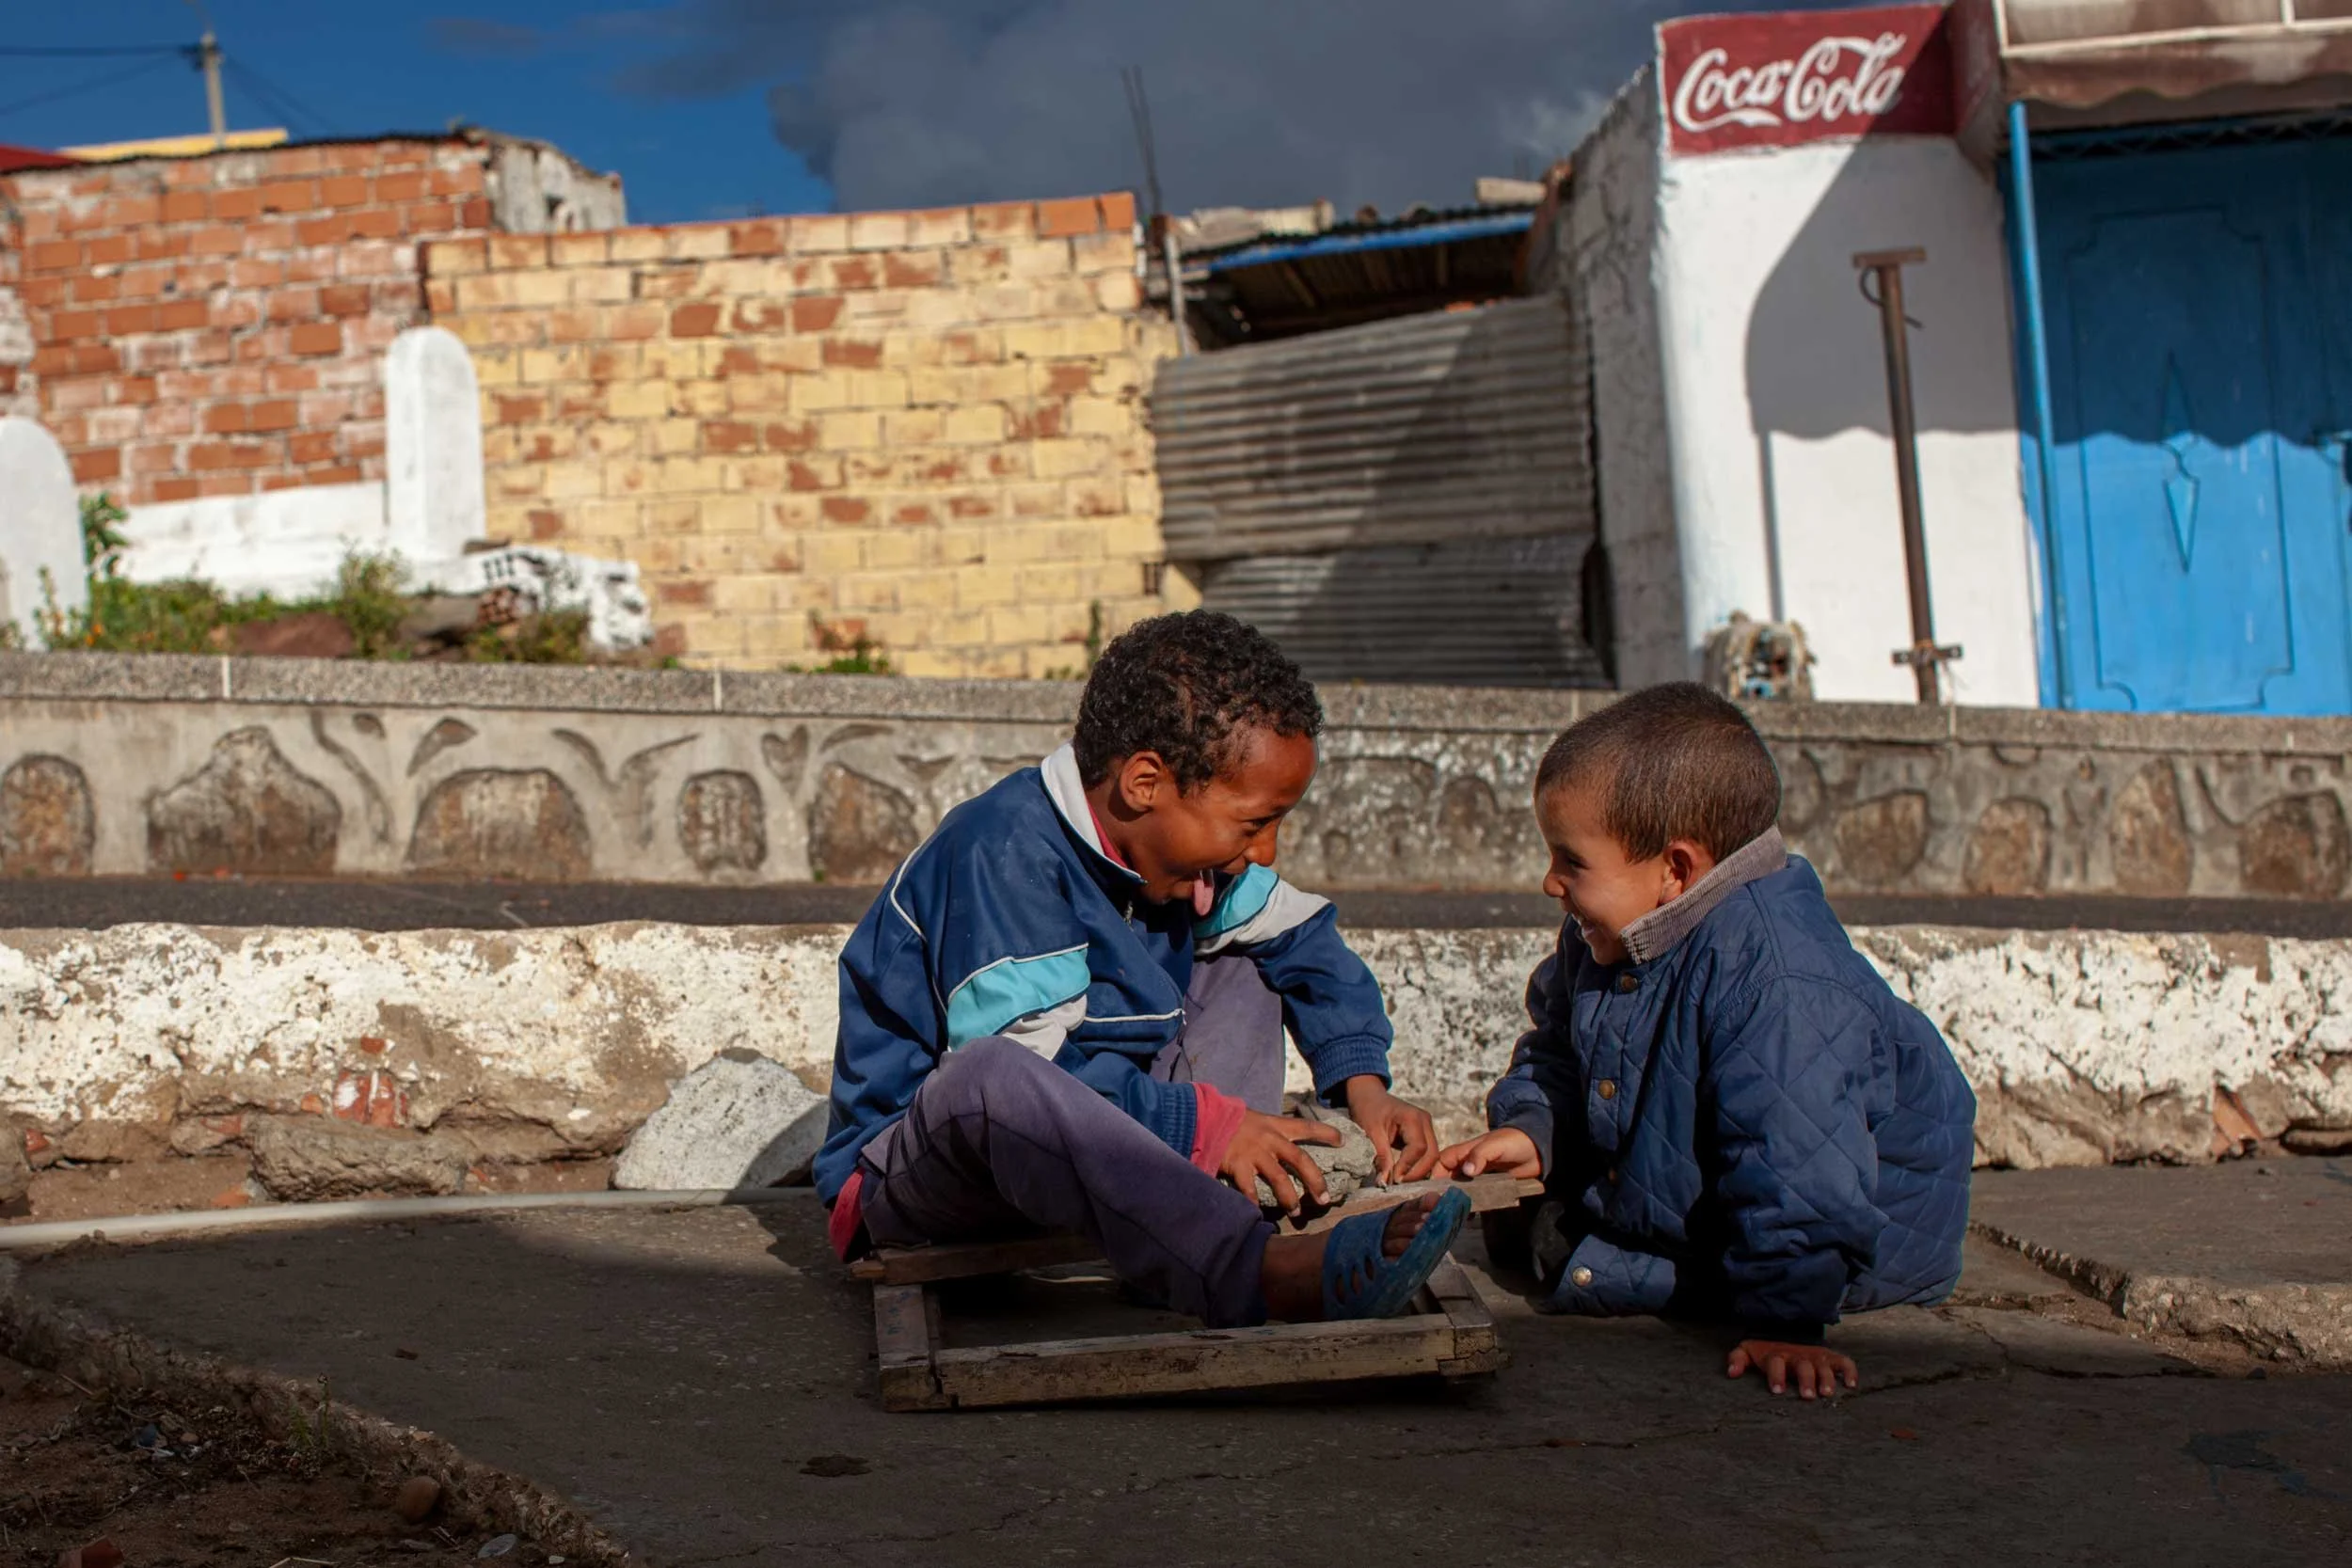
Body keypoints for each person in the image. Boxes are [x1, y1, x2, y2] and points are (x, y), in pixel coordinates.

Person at [817, 610, 1468, 1327]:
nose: (1266, 851)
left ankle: (1211, 1211)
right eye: (1254, 823)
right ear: (1145, 782)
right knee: (992, 1076)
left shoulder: (1181, 862)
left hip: (1107, 1158)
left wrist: (1365, 1085)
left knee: (1250, 962)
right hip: (927, 1177)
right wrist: (1210, 1123)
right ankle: (1251, 1268)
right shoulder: (1001, 852)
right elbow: (1037, 1082)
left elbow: (1305, 942)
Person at [1438, 683, 1975, 1398]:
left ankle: (1656, 1268)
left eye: (1571, 862)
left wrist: (1787, 1320)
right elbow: (1560, 1046)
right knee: (1527, 1227)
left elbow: (1801, 1162)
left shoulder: (1780, 980)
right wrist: (1537, 1127)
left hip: (1843, 1245)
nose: (1549, 882)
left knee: (1572, 1254)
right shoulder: (1612, 932)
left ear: (1677, 870)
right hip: (1718, 1195)